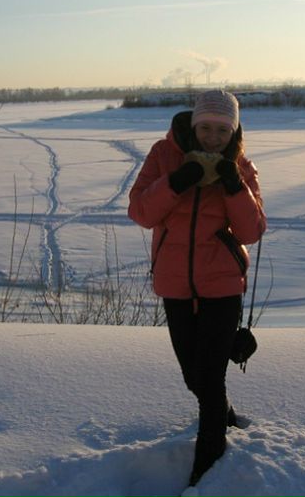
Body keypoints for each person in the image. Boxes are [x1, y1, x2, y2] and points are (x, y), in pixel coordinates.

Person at [128, 89, 267, 486]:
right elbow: (140, 211)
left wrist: (234, 186)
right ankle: (225, 417)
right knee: (194, 375)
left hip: (222, 285)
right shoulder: (164, 155)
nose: (212, 137)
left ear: (234, 131)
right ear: (193, 125)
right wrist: (175, 181)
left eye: (223, 130)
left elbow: (251, 231)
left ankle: (206, 470)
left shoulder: (240, 167)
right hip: (174, 283)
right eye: (205, 127)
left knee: (210, 378)